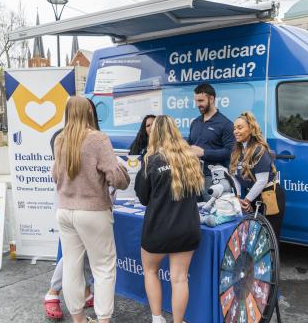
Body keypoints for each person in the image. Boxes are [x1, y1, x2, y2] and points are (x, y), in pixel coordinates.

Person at [52, 96, 129, 323]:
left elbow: (56, 175)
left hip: (65, 210)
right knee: (103, 269)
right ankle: (103, 319)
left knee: (71, 267)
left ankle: (79, 320)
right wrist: (122, 172)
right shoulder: (97, 139)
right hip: (93, 211)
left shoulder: (60, 140)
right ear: (89, 113)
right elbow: (116, 178)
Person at [135, 115, 204, 323]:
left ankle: (157, 318)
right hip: (187, 227)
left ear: (155, 133)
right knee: (180, 278)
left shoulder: (151, 160)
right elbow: (199, 195)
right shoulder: (191, 159)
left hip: (158, 228)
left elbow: (143, 198)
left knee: (150, 271)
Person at [44, 98, 98, 321]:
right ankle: (52, 293)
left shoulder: (94, 135)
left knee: (81, 253)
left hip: (80, 204)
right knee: (73, 256)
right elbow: (60, 172)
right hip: (71, 201)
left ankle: (84, 294)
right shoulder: (61, 137)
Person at [230, 112, 285, 238]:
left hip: (269, 196)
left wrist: (246, 200)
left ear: (250, 129)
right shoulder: (236, 151)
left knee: (269, 238)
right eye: (234, 128)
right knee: (254, 238)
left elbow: (261, 180)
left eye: (240, 127)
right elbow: (235, 176)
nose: (235, 131)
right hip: (252, 197)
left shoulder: (259, 149)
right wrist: (238, 197)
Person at [187, 83, 235, 199]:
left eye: (201, 101)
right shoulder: (195, 122)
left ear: (211, 99)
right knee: (193, 215)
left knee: (213, 216)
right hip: (193, 177)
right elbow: (189, 145)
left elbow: (230, 152)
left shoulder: (225, 124)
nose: (198, 104)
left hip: (213, 179)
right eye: (196, 101)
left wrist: (204, 153)